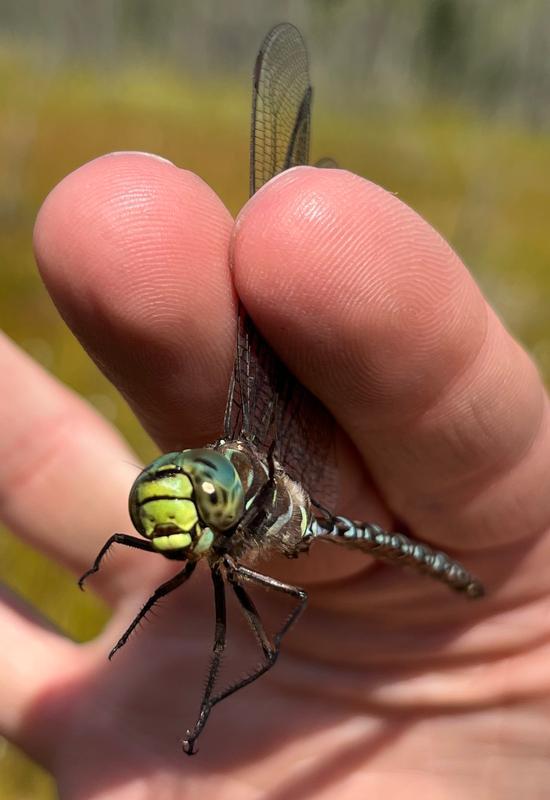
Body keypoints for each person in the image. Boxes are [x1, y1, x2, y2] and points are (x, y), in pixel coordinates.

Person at [1, 152, 548, 797]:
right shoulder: (205, 512)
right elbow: (150, 559)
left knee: (249, 637)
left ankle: (209, 710)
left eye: (196, 503)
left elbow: (274, 601)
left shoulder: (235, 521)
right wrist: (99, 570)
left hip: (347, 531)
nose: (174, 524)